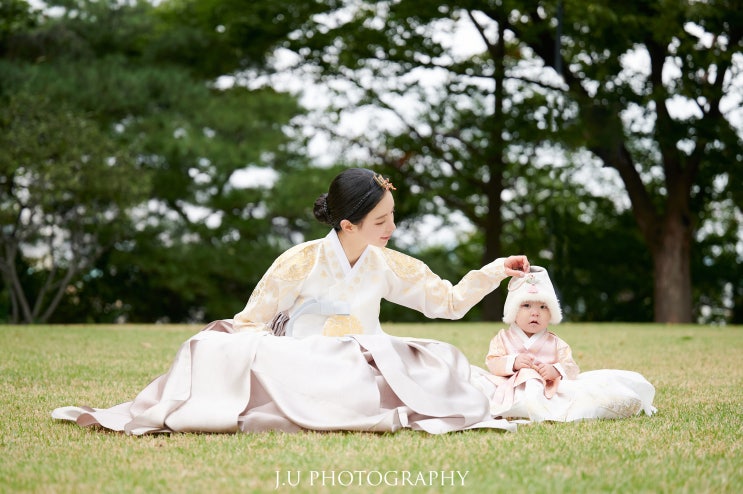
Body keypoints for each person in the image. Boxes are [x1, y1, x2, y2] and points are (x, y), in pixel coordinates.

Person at [52, 168, 531, 435]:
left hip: (362, 359)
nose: (392, 228)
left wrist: (494, 271)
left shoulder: (386, 263)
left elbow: (445, 302)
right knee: (217, 347)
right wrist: (276, 350)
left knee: (437, 360)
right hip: (302, 361)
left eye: (392, 217)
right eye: (382, 220)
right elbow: (249, 322)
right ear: (348, 225)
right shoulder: (298, 262)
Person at [471, 266, 656, 422]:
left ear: (551, 313)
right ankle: (513, 407)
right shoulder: (502, 338)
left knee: (582, 395)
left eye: (543, 307)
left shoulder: (556, 343)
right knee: (476, 385)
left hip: (546, 390)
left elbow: (571, 368)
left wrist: (555, 371)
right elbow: (493, 362)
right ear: (512, 311)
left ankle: (539, 407)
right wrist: (513, 362)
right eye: (526, 306)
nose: (535, 313)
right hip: (510, 388)